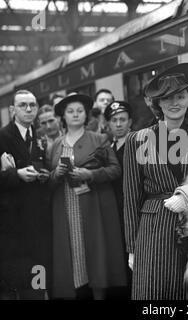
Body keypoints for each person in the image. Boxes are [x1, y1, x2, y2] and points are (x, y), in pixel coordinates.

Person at [124, 62, 188, 300]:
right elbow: (131, 198)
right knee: (156, 293)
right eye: (166, 98)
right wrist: (132, 248)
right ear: (157, 103)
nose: (174, 103)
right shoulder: (137, 140)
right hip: (154, 229)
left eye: (180, 96)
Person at [48, 93, 127, 299]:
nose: (75, 115)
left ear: (85, 114)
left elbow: (115, 170)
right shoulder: (55, 145)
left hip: (93, 205)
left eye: (79, 111)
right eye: (70, 111)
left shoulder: (99, 139)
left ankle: (98, 293)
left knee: (94, 250)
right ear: (63, 116)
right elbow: (48, 180)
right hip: (65, 205)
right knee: (72, 251)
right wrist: (56, 174)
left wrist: (90, 174)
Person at [0, 90, 51, 299]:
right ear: (13, 110)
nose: (29, 109)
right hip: (10, 223)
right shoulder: (2, 137)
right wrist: (16, 174)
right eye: (23, 105)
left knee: (36, 282)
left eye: (32, 105)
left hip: (36, 220)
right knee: (13, 283)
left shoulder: (39, 138)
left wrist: (44, 175)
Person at [104, 100, 133, 298]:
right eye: (114, 120)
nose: (119, 124)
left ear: (130, 121)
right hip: (113, 210)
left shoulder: (140, 143)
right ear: (108, 124)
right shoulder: (106, 149)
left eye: (123, 119)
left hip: (133, 209)